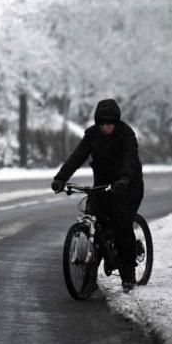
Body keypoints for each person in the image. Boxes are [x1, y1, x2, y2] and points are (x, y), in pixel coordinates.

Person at [51, 98, 144, 290]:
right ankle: (90, 276)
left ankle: (128, 273)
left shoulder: (126, 134)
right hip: (101, 186)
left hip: (128, 185)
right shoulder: (92, 135)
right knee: (95, 222)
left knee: (121, 223)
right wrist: (60, 178)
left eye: (110, 123)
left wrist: (124, 179)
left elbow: (130, 158)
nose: (106, 127)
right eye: (102, 123)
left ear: (116, 122)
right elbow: (77, 157)